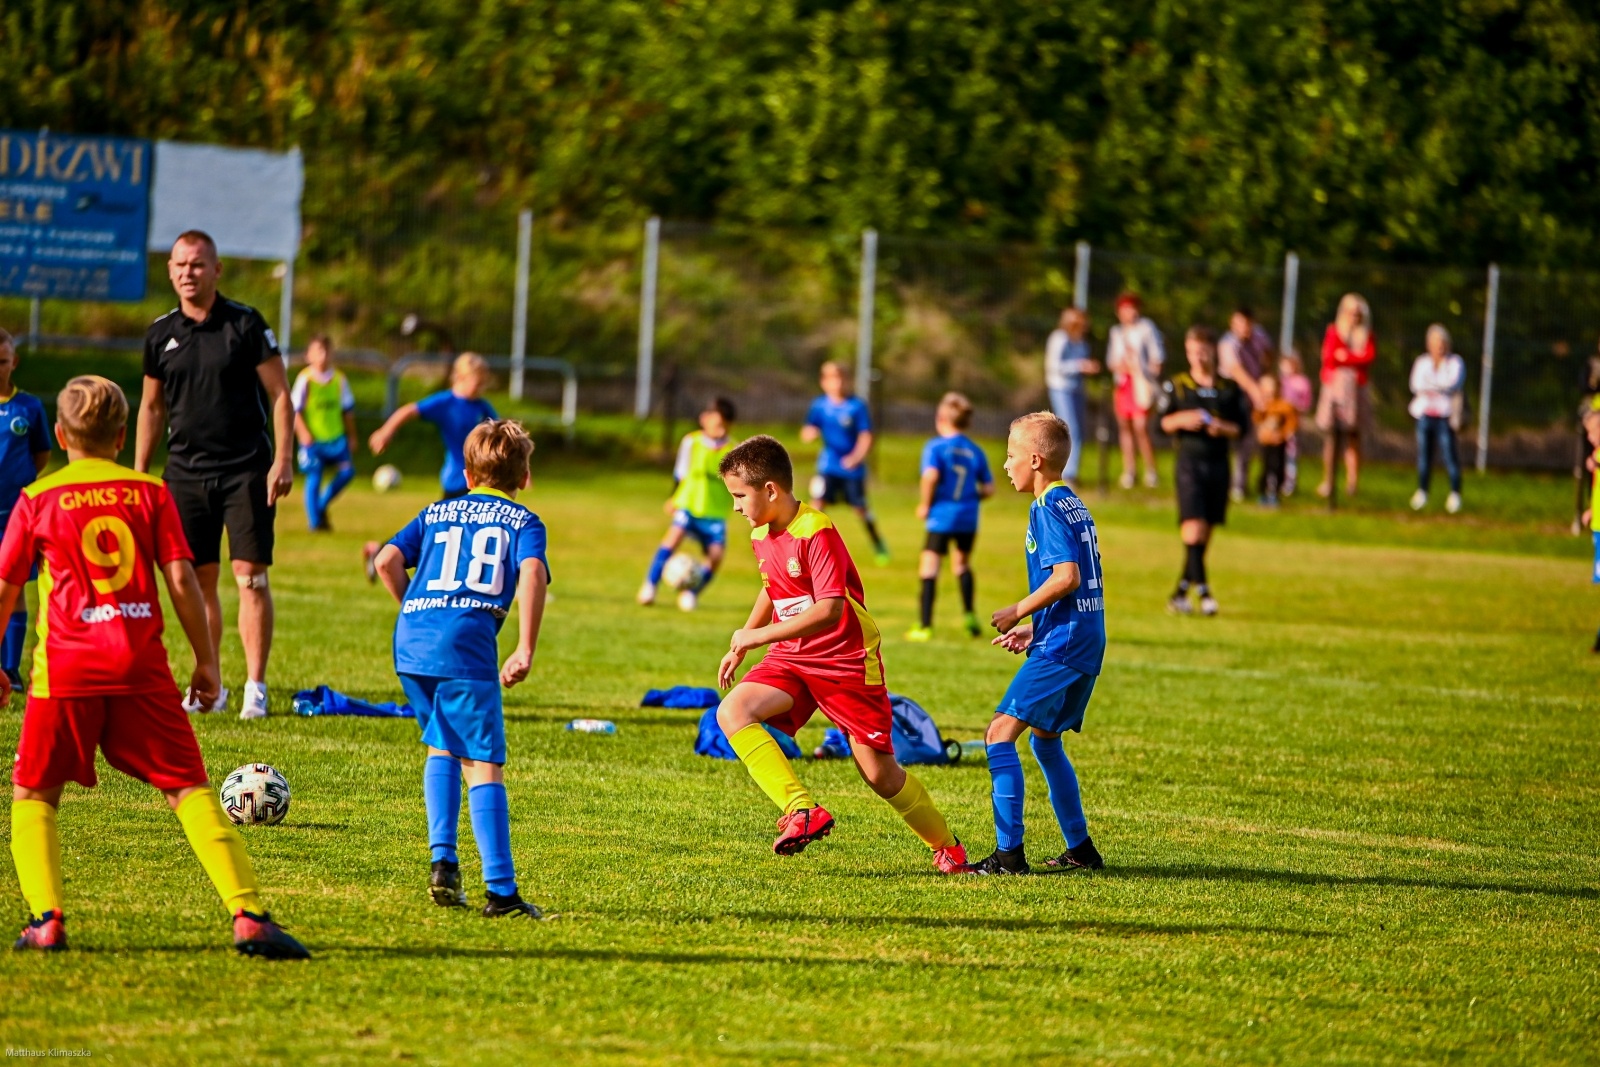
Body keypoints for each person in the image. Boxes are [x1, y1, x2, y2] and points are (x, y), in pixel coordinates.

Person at [4, 376, 307, 957]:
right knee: (189, 789)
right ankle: (249, 915)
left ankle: (46, 920)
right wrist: (207, 660)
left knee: (35, 794)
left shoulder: (37, 499)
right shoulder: (149, 492)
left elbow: (6, 586)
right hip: (141, 669)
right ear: (122, 436)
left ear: (62, 435)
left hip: (64, 671)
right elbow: (181, 581)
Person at [713, 435, 969, 873]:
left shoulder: (817, 530)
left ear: (770, 490)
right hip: (792, 653)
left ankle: (947, 846)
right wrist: (746, 637)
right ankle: (802, 810)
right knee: (733, 711)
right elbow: (773, 587)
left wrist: (756, 638)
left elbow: (829, 610)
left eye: (739, 496)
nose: (735, 507)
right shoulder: (761, 532)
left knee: (879, 774)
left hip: (844, 658)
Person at [373, 419, 550, 919]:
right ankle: (502, 893)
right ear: (525, 476)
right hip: (465, 646)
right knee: (483, 763)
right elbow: (533, 572)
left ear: (468, 474)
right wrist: (525, 647)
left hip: (412, 640)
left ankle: (443, 863)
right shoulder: (524, 522)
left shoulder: (435, 511)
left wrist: (413, 608)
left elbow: (387, 561)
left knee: (442, 742)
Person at [136, 230, 295, 722]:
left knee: (251, 580)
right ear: (170, 271)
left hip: (245, 470)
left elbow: (282, 395)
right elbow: (151, 407)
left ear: (217, 269)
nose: (189, 272)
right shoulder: (160, 334)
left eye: (198, 264)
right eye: (181, 264)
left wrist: (283, 459)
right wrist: (140, 476)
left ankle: (256, 687)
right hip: (184, 476)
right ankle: (212, 684)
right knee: (197, 582)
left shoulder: (245, 324)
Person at [972, 412, 1106, 876]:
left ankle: (1009, 857)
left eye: (1011, 456)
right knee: (1046, 743)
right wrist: (1037, 627)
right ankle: (1081, 849)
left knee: (999, 734)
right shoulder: (1074, 503)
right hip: (1083, 636)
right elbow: (1083, 582)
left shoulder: (1045, 507)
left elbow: (1066, 576)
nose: (1005, 464)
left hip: (1066, 643)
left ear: (1034, 459)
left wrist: (1020, 610)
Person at [1158, 326, 1246, 616]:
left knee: (1204, 533)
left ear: (1213, 351)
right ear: (1187, 351)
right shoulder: (1178, 386)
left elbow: (1242, 428)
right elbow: (1160, 424)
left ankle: (1181, 592)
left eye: (1204, 351)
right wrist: (1181, 419)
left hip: (1219, 465)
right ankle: (1205, 593)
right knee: (1193, 528)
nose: (1198, 357)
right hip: (1189, 464)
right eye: (1193, 352)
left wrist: (1221, 427)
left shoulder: (1229, 388)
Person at [907, 392, 994, 641]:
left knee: (929, 567)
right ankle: (969, 617)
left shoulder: (935, 447)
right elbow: (989, 489)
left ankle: (924, 625)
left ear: (941, 418)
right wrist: (970, 499)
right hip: (968, 517)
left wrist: (925, 504)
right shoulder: (975, 451)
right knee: (962, 565)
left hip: (941, 517)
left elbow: (931, 476)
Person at [638, 397, 737, 612]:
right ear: (705, 419)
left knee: (716, 556)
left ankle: (691, 592)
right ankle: (650, 586)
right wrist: (673, 497)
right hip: (689, 504)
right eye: (717, 422)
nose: (720, 428)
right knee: (671, 539)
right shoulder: (691, 441)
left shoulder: (733, 450)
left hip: (715, 512)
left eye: (724, 425)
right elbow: (680, 473)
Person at [0, 329, 53, 691]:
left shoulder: (29, 407)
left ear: (14, 362)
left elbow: (41, 454)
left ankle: (11, 669)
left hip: (13, 513)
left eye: (2, 361)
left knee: (14, 587)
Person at [368, 352, 497, 499]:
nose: (482, 388)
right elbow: (409, 411)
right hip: (456, 480)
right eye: (478, 383)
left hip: (483, 481)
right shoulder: (445, 403)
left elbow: (500, 432)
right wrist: (386, 431)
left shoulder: (482, 406)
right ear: (461, 378)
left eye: (484, 384)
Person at [802, 361, 890, 564]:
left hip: (852, 469)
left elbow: (866, 436)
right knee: (817, 504)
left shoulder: (856, 406)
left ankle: (878, 544)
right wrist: (810, 433)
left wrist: (856, 457)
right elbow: (808, 429)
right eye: (832, 378)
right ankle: (810, 548)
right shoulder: (820, 406)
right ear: (824, 382)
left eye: (841, 378)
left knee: (860, 509)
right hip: (828, 466)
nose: (838, 383)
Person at [291, 335, 358, 532]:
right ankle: (315, 523)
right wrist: (303, 433)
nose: (323, 355)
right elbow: (295, 410)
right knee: (314, 477)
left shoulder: (339, 379)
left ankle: (320, 506)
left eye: (327, 350)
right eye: (318, 351)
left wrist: (352, 436)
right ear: (308, 355)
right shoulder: (305, 379)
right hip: (313, 440)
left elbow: (347, 411)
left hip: (336, 438)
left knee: (347, 472)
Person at [1316, 293, 1376, 499]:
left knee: (1353, 438)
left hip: (1357, 392)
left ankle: (1352, 483)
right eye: (1351, 313)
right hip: (1336, 391)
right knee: (1332, 438)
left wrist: (1347, 357)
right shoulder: (1333, 331)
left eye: (1358, 314)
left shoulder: (1366, 334)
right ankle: (1329, 481)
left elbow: (1368, 357)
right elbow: (1330, 357)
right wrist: (1354, 358)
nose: (1354, 318)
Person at [1105, 293, 1164, 489]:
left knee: (1141, 427)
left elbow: (1157, 358)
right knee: (1125, 427)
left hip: (1141, 384)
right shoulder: (1117, 332)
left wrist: (1145, 370)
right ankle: (1129, 470)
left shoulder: (1146, 328)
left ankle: (1151, 470)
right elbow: (1112, 361)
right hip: (1123, 384)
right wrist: (1120, 366)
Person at [1408, 324, 1467, 514]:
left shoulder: (1455, 362)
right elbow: (1416, 385)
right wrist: (1437, 386)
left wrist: (1431, 386)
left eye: (1442, 343)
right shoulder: (1422, 362)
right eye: (1435, 343)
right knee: (1424, 457)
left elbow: (1452, 384)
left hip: (1445, 417)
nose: (1439, 347)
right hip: (1425, 416)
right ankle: (1422, 492)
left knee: (1450, 456)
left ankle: (1455, 494)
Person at [1218, 306, 1271, 501]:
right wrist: (1257, 392)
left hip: (1252, 395)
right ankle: (1223, 482)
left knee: (1247, 442)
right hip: (1231, 394)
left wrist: (1266, 384)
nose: (1243, 328)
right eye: (1239, 324)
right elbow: (1237, 371)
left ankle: (1240, 485)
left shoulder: (1260, 336)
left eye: (1247, 324)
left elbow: (1267, 357)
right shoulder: (1228, 343)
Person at [1044, 307, 1100, 484]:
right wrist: (1079, 366)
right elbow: (1054, 366)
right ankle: (1068, 473)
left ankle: (1071, 470)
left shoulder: (1082, 342)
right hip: (1061, 388)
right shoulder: (1059, 338)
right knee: (1070, 428)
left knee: (1079, 430)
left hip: (1077, 389)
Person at [1252, 374, 1298, 506]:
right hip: (1266, 442)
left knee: (1278, 467)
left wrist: (1283, 434)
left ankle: (1275, 493)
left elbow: (1292, 423)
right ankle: (1263, 492)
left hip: (1279, 443)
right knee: (1265, 467)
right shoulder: (1263, 406)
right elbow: (1257, 420)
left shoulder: (1285, 406)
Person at [1278, 351, 1313, 496]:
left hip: (1293, 424)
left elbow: (1306, 405)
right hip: (1279, 424)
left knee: (1291, 454)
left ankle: (1290, 483)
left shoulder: (1302, 382)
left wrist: (1294, 408)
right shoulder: (1280, 381)